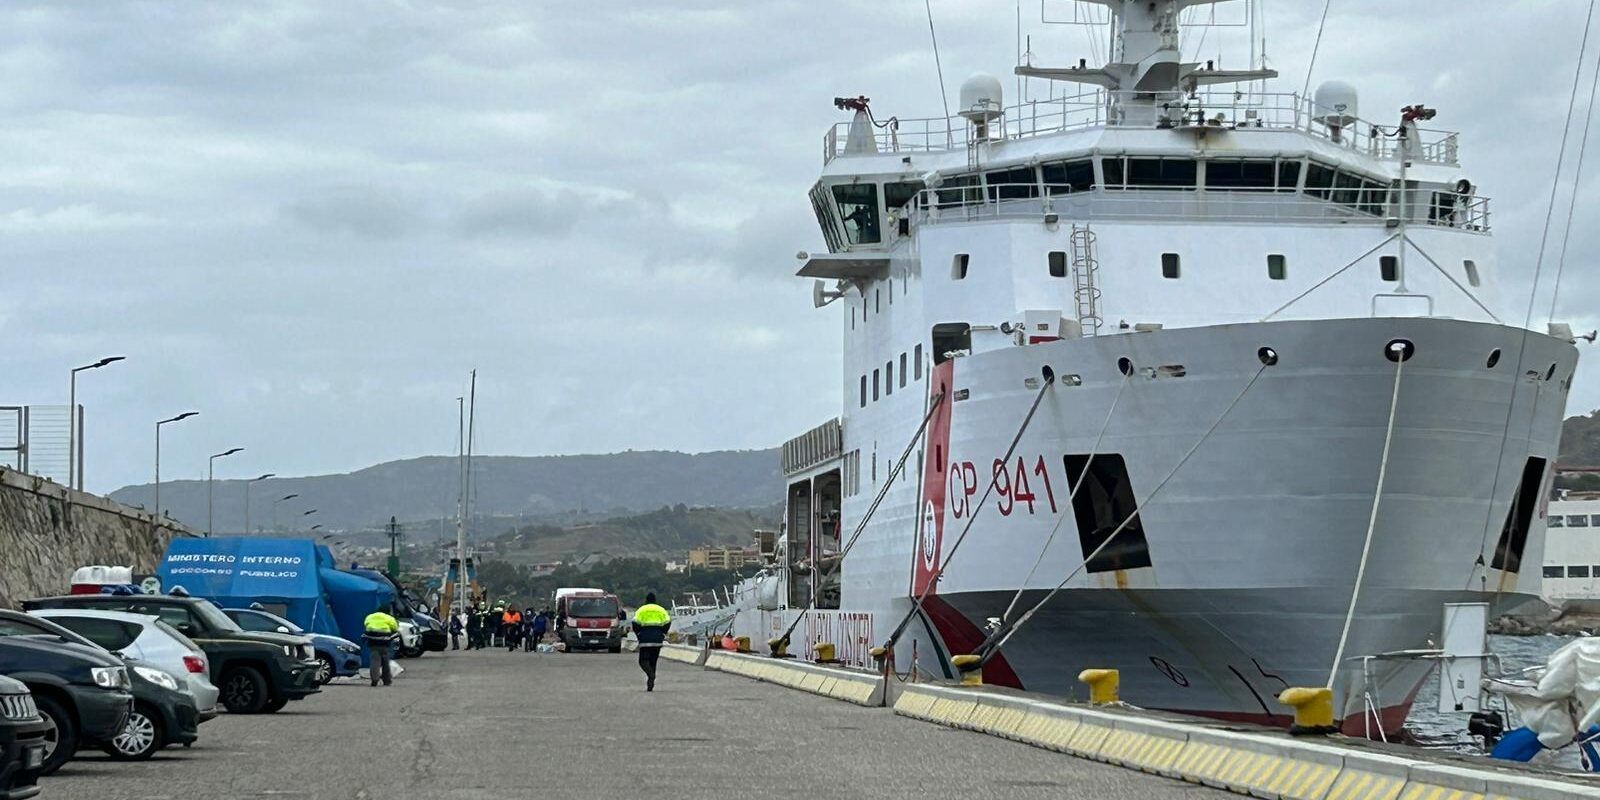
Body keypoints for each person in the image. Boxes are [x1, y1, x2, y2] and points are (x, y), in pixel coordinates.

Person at [631, 593, 672, 692]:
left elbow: (635, 623)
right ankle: (650, 683)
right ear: (655, 600)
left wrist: (639, 634)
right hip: (657, 639)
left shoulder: (641, 610)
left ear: (646, 600)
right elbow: (668, 622)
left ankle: (651, 675)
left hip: (645, 638)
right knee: (653, 661)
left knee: (643, 661)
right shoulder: (661, 610)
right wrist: (663, 633)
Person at [363, 605, 400, 687]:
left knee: (374, 660)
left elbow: (366, 624)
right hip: (384, 642)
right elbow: (395, 628)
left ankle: (374, 679)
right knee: (385, 661)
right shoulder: (389, 618)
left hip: (373, 642)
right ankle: (387, 680)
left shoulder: (370, 616)